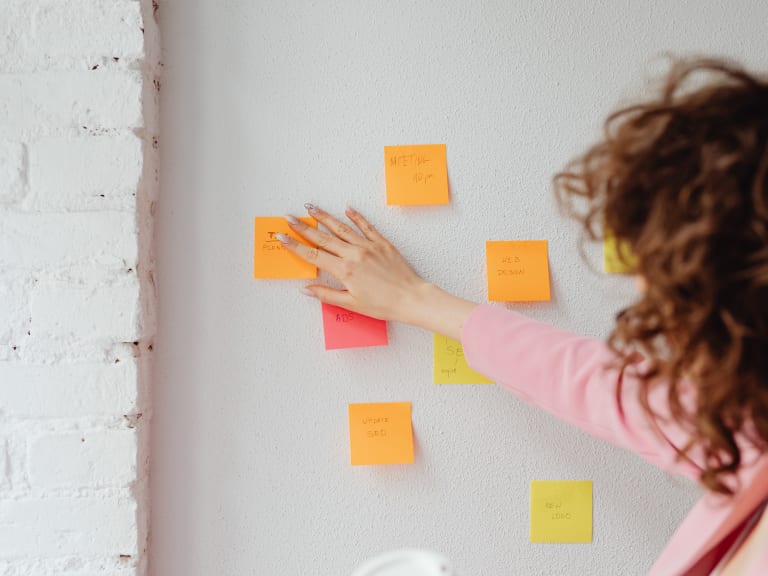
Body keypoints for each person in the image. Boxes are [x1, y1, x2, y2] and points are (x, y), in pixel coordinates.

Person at [277, 58, 768, 575]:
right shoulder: (747, 424)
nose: (658, 329)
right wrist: (415, 300)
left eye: (672, 306)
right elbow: (605, 387)